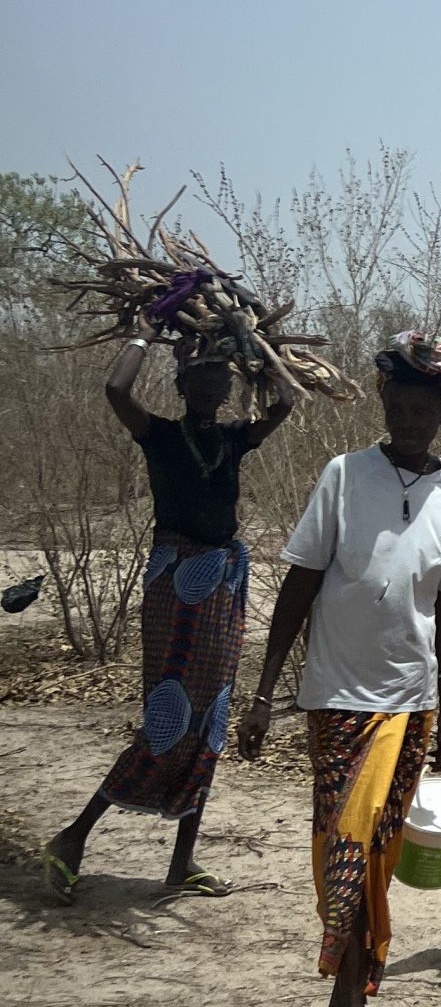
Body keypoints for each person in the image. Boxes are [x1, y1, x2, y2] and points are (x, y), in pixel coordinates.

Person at [234, 334, 441, 1007]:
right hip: (336, 697)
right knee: (344, 847)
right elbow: (302, 584)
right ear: (383, 406)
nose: (410, 421)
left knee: (371, 854)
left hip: (410, 704)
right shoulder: (344, 475)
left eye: (424, 410)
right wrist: (266, 691)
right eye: (399, 407)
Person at [43, 323, 293, 902]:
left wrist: (260, 351)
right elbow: (115, 390)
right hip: (176, 582)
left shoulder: (234, 439)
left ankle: (181, 864)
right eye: (201, 374)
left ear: (230, 386)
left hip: (224, 579)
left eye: (221, 376)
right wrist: (142, 334)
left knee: (211, 720)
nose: (212, 384)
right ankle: (71, 840)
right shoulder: (157, 434)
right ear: (181, 383)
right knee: (167, 719)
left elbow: (284, 401)